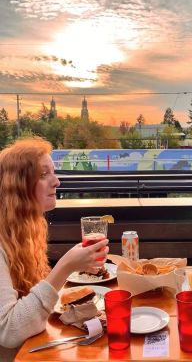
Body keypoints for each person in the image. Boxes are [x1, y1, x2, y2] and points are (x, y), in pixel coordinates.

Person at [0, 137, 109, 361]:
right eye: (43, 175)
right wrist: (66, 266)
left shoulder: (22, 231)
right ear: (17, 187)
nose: (57, 182)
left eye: (54, 172)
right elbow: (9, 331)